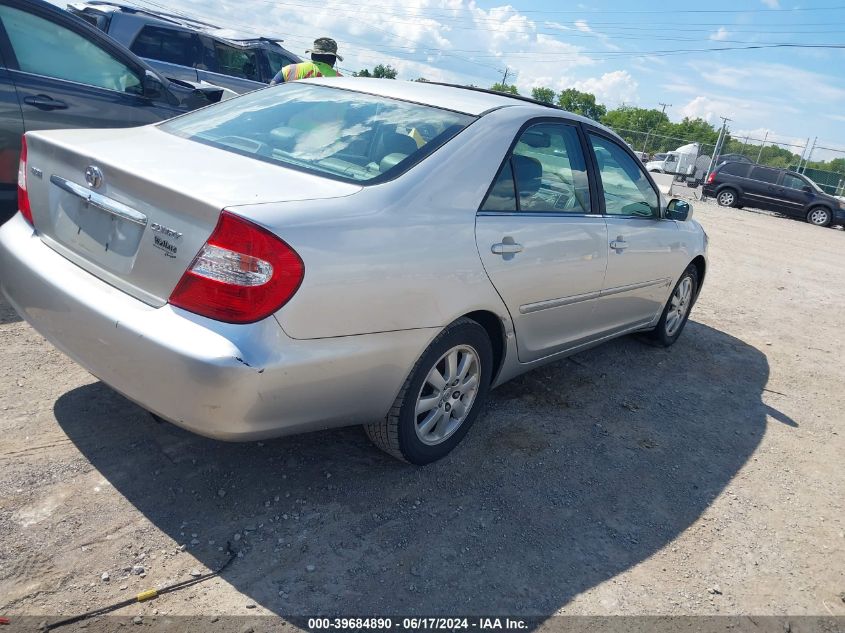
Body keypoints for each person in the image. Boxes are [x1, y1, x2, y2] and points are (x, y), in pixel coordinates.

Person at [270, 37, 343, 85]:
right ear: (333, 59)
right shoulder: (341, 81)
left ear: (312, 55)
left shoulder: (289, 70)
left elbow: (270, 89)